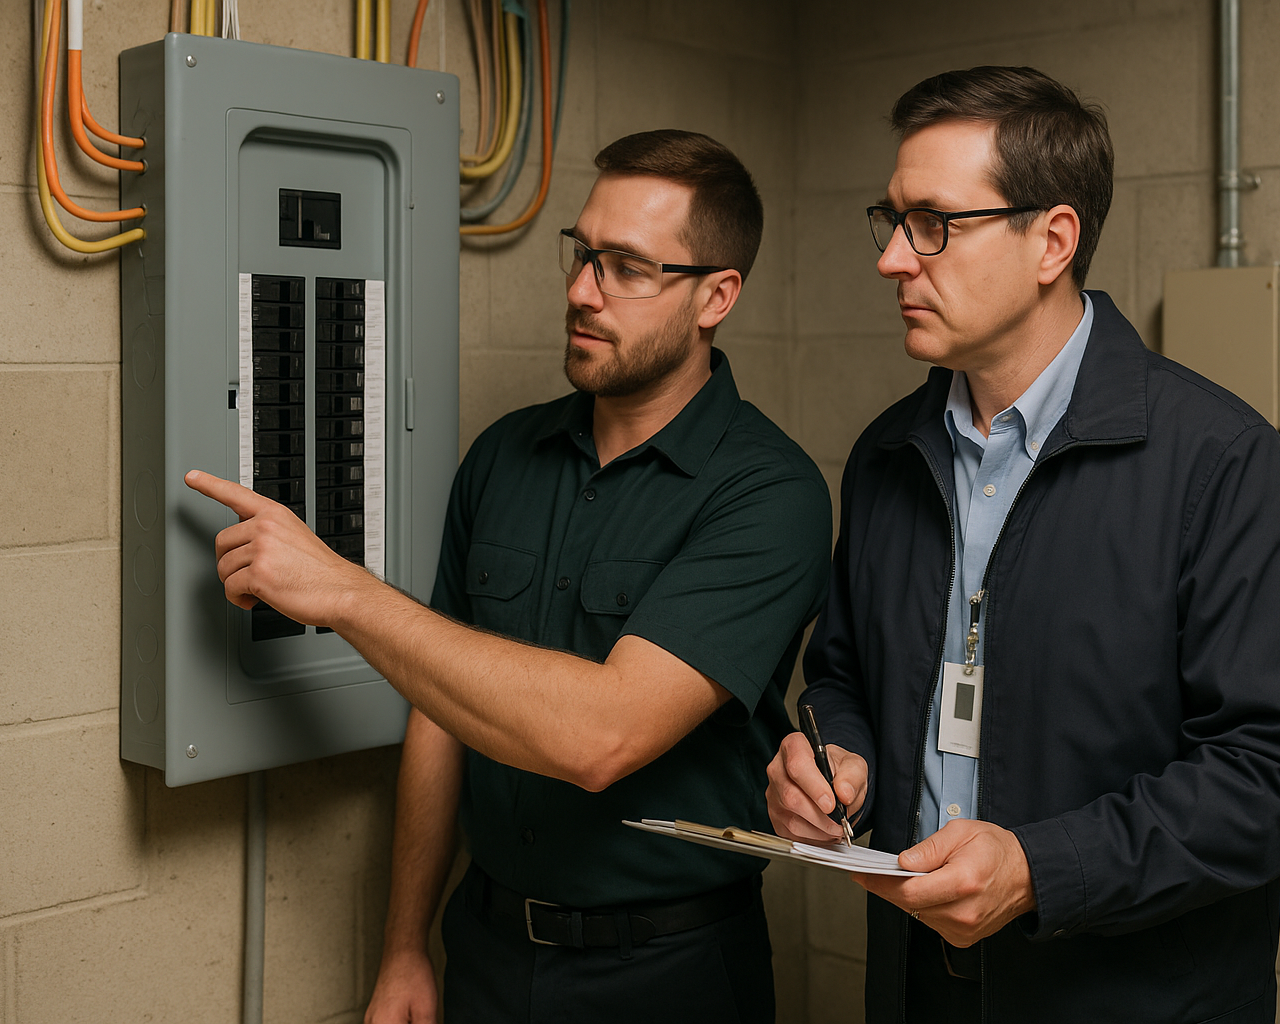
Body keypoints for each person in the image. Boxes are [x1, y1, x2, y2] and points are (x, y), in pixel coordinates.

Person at [186, 129, 832, 1024]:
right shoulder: (505, 457)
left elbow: (600, 737)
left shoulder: (768, 493)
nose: (580, 292)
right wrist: (406, 946)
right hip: (486, 953)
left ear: (717, 295)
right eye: (581, 253)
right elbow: (440, 711)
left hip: (668, 973)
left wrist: (344, 591)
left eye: (626, 268)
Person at [764, 66, 1280, 1023]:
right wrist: (839, 760)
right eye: (891, 220)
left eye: (933, 224)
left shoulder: (1216, 460)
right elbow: (839, 677)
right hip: (920, 989)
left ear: (1053, 240)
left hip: (1125, 1000)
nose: (893, 261)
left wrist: (1040, 870)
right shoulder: (886, 456)